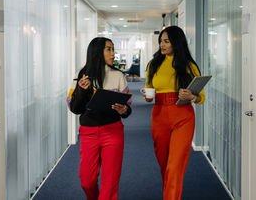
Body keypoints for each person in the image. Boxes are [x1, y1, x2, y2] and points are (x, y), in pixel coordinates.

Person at [142, 26, 205, 200]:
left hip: (183, 116)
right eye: (161, 41)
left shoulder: (189, 65)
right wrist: (147, 97)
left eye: (166, 41)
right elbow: (149, 91)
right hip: (159, 114)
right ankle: (170, 194)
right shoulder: (153, 64)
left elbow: (202, 98)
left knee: (174, 166)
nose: (162, 45)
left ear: (176, 42)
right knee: (164, 164)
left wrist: (193, 96)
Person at [66, 37, 132, 200]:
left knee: (109, 184)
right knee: (87, 182)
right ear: (97, 52)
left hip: (113, 132)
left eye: (113, 49)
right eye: (108, 49)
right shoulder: (80, 75)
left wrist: (124, 109)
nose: (113, 53)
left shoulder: (118, 75)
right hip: (89, 133)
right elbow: (74, 108)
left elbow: (128, 106)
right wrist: (81, 90)